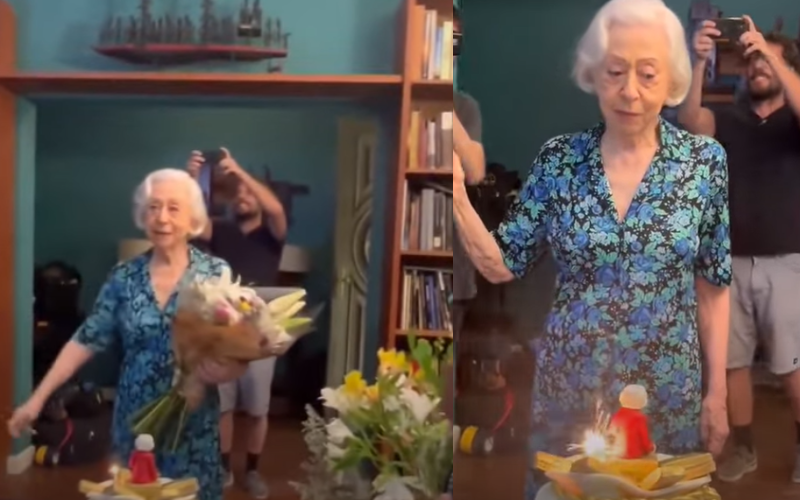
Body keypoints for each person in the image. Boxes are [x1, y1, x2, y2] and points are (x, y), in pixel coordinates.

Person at [453, 0, 732, 497]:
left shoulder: (703, 164)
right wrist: (452, 192)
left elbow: (713, 284)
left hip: (667, 394)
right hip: (571, 392)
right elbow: (500, 265)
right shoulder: (560, 161)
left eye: (648, 74)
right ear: (593, 75)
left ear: (671, 81)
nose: (630, 91)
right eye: (615, 71)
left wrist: (719, 393)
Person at [7, 169, 251, 500]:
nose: (161, 217)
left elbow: (235, 353)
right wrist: (35, 402)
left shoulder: (215, 273)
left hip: (192, 420)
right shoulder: (124, 277)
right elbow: (86, 339)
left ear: (193, 216)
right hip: (135, 419)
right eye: (153, 207)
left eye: (173, 208)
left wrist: (226, 369)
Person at [678, 16, 800, 483]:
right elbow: (690, 122)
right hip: (727, 261)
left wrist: (767, 49)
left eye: (765, 61)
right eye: (749, 62)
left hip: (785, 262)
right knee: (731, 363)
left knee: (790, 365)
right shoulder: (728, 117)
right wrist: (698, 59)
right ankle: (742, 447)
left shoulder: (793, 120)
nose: (755, 68)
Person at [187, 148, 287, 498]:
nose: (243, 196)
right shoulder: (221, 230)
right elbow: (191, 214)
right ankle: (226, 468)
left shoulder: (272, 235)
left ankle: (254, 472)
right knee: (224, 406)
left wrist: (240, 172)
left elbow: (274, 208)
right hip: (224, 332)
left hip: (262, 334)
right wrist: (192, 177)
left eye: (250, 192)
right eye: (238, 193)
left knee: (258, 408)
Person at [452, 5, 486, 338]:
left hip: (455, 266)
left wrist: (443, 107)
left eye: (455, 39)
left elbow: (475, 170)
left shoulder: (465, 107)